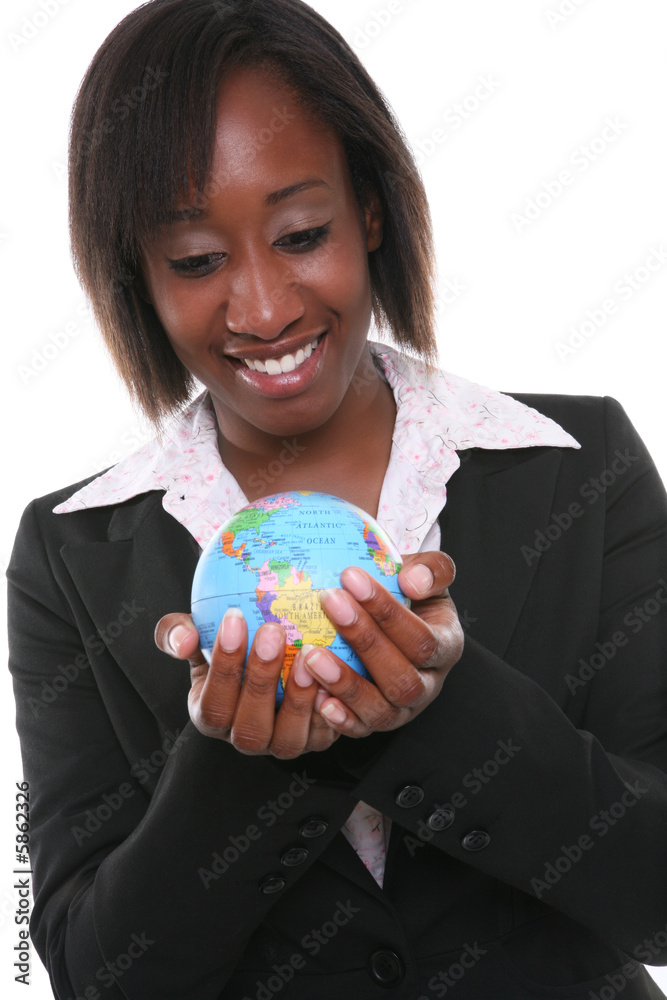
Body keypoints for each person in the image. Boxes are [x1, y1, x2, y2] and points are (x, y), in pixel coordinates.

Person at [7, 1, 667, 997]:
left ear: (370, 211)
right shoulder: (70, 555)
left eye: (302, 233)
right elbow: (95, 977)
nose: (265, 308)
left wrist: (442, 706)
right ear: (136, 276)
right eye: (196, 260)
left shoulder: (580, 466)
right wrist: (238, 762)